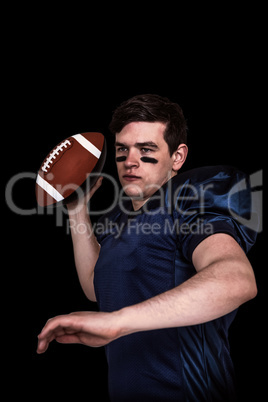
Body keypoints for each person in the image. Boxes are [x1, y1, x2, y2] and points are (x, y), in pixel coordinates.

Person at [37, 94, 259, 401]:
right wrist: (77, 210)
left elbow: (236, 280)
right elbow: (97, 287)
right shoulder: (117, 218)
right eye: (122, 150)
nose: (130, 161)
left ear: (178, 157)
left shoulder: (188, 200)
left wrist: (118, 322)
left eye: (146, 149)